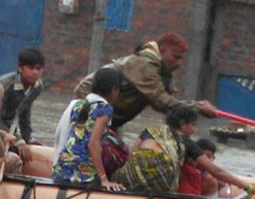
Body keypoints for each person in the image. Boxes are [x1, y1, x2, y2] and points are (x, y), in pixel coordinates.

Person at [74, 33, 218, 130]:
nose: (179, 63)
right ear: (162, 51)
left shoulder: (162, 73)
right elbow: (160, 99)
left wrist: (194, 106)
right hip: (88, 104)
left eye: (181, 58)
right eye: (176, 57)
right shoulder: (146, 64)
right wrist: (196, 107)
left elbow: (169, 105)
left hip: (112, 117)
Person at [52, 67, 124, 191]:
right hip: (83, 174)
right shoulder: (104, 109)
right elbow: (93, 143)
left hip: (63, 168)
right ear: (113, 90)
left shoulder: (78, 104)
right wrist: (104, 179)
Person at [118, 105, 199, 193]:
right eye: (193, 125)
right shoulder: (184, 141)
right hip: (157, 185)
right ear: (183, 124)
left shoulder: (149, 131)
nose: (194, 130)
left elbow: (131, 156)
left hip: (130, 178)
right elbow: (214, 171)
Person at [0, 47, 45, 164]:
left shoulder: (37, 87)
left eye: (38, 69)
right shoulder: (5, 85)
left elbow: (25, 111)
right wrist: (18, 140)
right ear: (20, 67)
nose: (35, 72)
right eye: (31, 68)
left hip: (10, 128)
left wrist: (27, 138)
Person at [178, 138, 255, 198]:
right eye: (205, 157)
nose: (208, 161)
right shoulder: (204, 176)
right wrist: (248, 187)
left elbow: (220, 177)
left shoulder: (207, 174)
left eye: (210, 157)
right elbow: (217, 173)